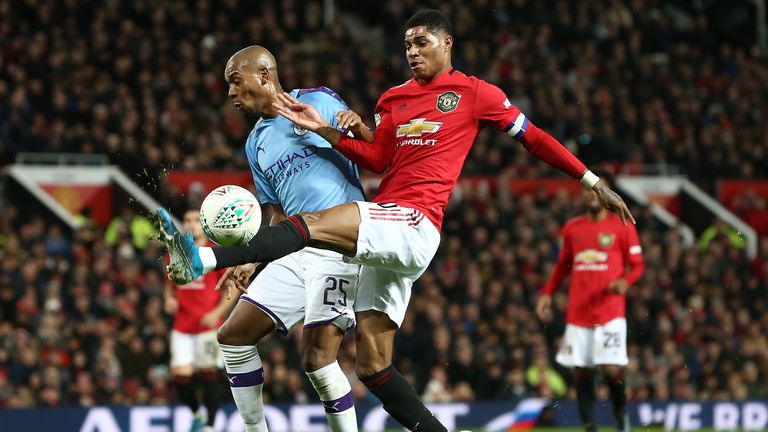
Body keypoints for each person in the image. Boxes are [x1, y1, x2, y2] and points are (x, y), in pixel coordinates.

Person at [156, 10, 634, 432]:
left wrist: (589, 178)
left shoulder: (475, 94)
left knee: (315, 227)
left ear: (447, 43)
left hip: (413, 220)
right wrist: (324, 128)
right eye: (407, 44)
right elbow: (379, 160)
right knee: (372, 368)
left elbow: (533, 137)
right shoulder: (392, 100)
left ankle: (203, 257)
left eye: (422, 42)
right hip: (384, 229)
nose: (412, 52)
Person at [212, 45, 370, 432]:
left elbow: (372, 149)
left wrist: (357, 126)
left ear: (264, 75)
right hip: (296, 249)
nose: (231, 92)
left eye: (236, 80)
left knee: (317, 359)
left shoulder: (318, 100)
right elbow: (276, 214)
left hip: (341, 246)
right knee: (232, 338)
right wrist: (253, 258)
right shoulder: (255, 144)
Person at [535, 171, 645, 432]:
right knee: (581, 374)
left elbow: (638, 265)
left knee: (610, 369)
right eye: (589, 189)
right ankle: (590, 429)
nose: (593, 194)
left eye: (599, 189)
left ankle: (621, 418)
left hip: (610, 312)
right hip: (578, 314)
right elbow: (563, 266)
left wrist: (625, 282)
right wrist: (547, 293)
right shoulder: (572, 228)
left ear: (608, 194)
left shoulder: (621, 225)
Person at [164, 209, 236, 432]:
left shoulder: (216, 253)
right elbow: (169, 285)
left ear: (204, 225)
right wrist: (168, 298)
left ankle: (210, 425)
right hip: (182, 326)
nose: (191, 224)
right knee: (180, 377)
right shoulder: (174, 253)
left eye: (196, 220)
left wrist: (218, 313)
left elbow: (232, 288)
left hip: (208, 327)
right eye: (187, 220)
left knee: (209, 373)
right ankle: (197, 414)